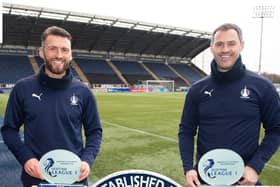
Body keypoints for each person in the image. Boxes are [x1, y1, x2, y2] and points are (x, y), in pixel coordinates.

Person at [178, 23, 280, 187]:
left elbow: (276, 129)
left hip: (244, 181)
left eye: (231, 43)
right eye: (219, 44)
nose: (225, 50)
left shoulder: (263, 87)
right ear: (212, 47)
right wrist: (188, 168)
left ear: (241, 46)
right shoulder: (197, 90)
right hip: (204, 179)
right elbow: (186, 131)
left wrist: (255, 166)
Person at [1, 26, 102, 186]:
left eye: (64, 50)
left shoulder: (83, 92)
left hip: (74, 178)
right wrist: (26, 158)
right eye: (53, 49)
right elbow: (9, 130)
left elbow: (94, 131)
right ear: (41, 52)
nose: (59, 55)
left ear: (70, 54)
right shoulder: (22, 88)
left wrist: (87, 160)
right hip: (36, 177)